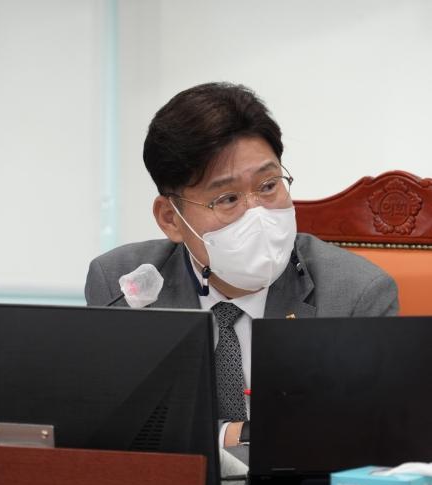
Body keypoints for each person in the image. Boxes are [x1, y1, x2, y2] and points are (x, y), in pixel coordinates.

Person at [85, 82, 398, 451]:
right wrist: (232, 436)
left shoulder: (355, 294)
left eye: (268, 186)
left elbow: (363, 434)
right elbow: (117, 428)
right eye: (228, 198)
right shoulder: (120, 285)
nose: (257, 214)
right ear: (170, 218)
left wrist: (226, 436)